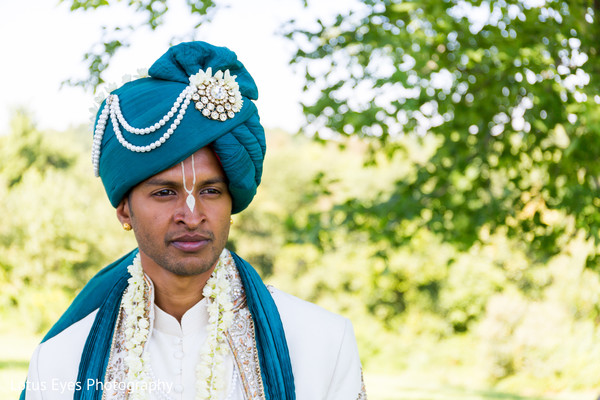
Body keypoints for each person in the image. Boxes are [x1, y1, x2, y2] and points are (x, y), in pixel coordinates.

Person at [21, 41, 367, 400]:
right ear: (125, 209)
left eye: (211, 191)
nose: (192, 215)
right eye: (165, 192)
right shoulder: (61, 362)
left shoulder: (323, 343)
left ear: (232, 201)